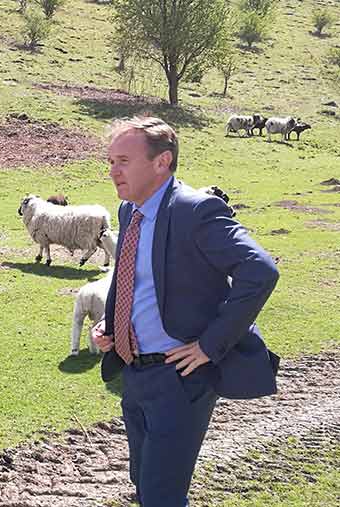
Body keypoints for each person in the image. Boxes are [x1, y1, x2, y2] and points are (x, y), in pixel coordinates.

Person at [91, 116, 280, 506]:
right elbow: (140, 282)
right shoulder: (130, 212)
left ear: (162, 162)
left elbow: (259, 270)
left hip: (179, 379)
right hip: (134, 373)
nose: (113, 171)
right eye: (110, 161)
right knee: (145, 487)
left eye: (123, 161)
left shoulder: (197, 211)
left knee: (162, 496)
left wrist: (211, 345)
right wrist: (112, 326)